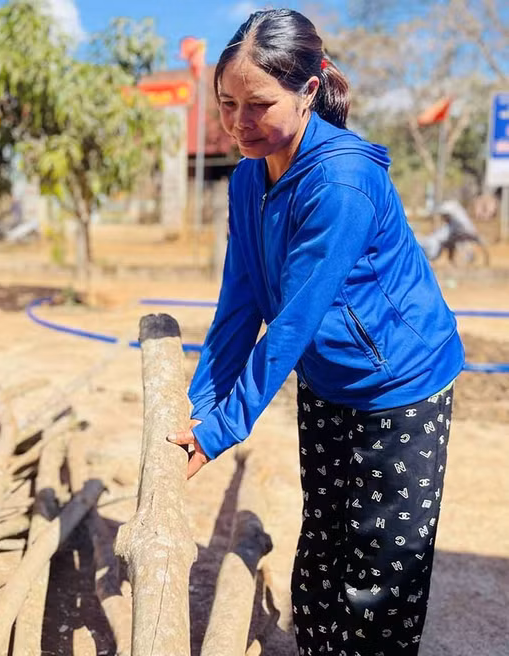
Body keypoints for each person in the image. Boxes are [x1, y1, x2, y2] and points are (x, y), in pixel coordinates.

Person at [166, 9, 464, 656]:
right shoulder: (249, 177)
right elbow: (240, 301)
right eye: (227, 104)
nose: (239, 123)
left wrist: (220, 431)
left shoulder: (341, 183)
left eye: (259, 105)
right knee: (324, 548)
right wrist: (199, 406)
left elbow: (291, 323)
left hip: (401, 387)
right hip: (327, 379)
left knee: (379, 576)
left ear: (307, 92)